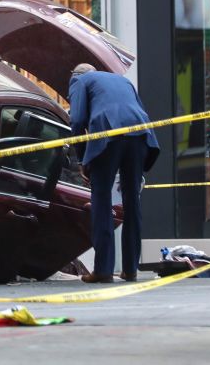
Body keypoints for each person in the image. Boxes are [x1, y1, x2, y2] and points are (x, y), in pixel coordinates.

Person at [68, 63, 159, 283]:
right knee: (132, 201)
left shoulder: (80, 81)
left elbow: (78, 120)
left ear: (75, 77)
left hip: (108, 135)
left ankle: (104, 270)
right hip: (140, 136)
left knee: (101, 201)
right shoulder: (122, 80)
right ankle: (130, 269)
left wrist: (82, 159)